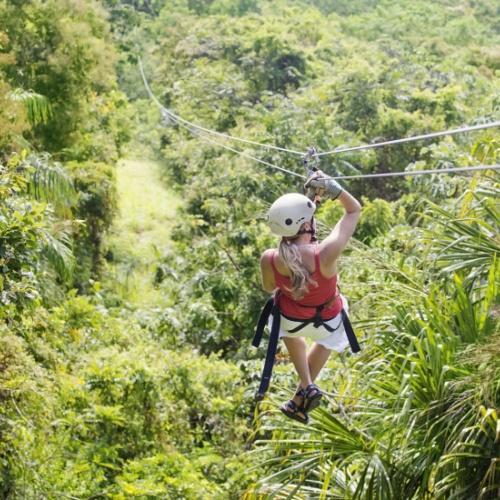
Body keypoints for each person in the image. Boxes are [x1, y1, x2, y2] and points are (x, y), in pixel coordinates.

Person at [259, 172, 362, 423]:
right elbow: (354, 211)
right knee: (335, 319)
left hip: (292, 321)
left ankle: (304, 388)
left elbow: (268, 287)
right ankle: (302, 392)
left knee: (281, 313)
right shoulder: (325, 253)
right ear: (307, 225)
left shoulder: (270, 258)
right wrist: (334, 190)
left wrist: (311, 201)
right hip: (327, 322)